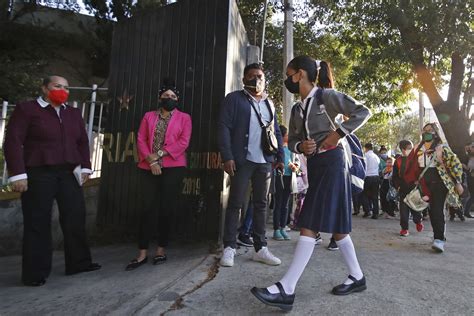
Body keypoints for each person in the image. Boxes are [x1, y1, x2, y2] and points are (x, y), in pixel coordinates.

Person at [251, 56, 371, 311]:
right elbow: (293, 139)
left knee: (308, 222)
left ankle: (287, 287)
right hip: (315, 166)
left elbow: (363, 112)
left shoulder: (326, 97)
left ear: (301, 74)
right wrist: (300, 146)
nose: (287, 79)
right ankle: (357, 277)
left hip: (334, 163)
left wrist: (337, 134)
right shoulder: (296, 109)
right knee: (339, 228)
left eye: (289, 74)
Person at [4, 75, 101, 286]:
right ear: (45, 88)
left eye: (66, 87)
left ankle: (79, 263)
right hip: (39, 174)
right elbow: (12, 141)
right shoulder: (27, 110)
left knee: (75, 217)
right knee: (37, 222)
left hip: (69, 174)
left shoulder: (73, 113)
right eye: (57, 86)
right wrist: (18, 174)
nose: (63, 91)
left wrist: (85, 167)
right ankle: (34, 273)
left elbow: (82, 142)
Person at [218, 63, 284, 267]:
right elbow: (223, 127)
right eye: (253, 76)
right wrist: (227, 156)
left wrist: (281, 156)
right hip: (242, 159)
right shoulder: (234, 99)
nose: (258, 79)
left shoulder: (269, 103)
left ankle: (260, 247)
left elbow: (276, 132)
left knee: (261, 204)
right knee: (236, 203)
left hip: (264, 161)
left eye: (261, 76)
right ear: (244, 79)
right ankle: (229, 247)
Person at [125, 79, 192, 270]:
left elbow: (183, 141)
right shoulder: (148, 116)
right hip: (148, 167)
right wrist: (152, 161)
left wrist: (161, 154)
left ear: (177, 99)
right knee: (146, 209)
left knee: (166, 208)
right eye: (166, 96)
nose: (169, 99)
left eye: (173, 96)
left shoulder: (184, 118)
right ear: (159, 98)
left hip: (173, 167)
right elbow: (141, 139)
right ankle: (142, 252)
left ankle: (161, 250)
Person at [404, 123, 464, 252]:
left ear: (435, 133)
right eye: (425, 130)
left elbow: (455, 164)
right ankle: (439, 235)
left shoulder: (442, 148)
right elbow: (410, 164)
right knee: (430, 211)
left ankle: (439, 239)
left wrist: (458, 182)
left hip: (439, 183)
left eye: (430, 130)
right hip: (423, 184)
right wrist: (414, 180)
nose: (427, 132)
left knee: (437, 210)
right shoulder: (417, 148)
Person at [273, 125, 299, 241]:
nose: (288, 136)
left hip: (289, 178)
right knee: (278, 204)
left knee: (286, 204)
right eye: (287, 135)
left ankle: (283, 227)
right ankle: (276, 229)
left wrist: (295, 167)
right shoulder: (276, 148)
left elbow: (297, 162)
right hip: (278, 177)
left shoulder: (291, 149)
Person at [392, 140, 423, 237]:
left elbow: (422, 172)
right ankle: (404, 229)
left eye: (411, 148)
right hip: (403, 189)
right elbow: (395, 176)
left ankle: (418, 221)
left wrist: (419, 181)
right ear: (402, 150)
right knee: (403, 211)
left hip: (414, 188)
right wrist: (398, 186)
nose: (411, 150)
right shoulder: (398, 161)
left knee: (415, 208)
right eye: (408, 148)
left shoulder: (417, 158)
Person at [362, 143, 381, 219]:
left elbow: (364, 166)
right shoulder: (376, 156)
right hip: (376, 177)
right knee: (375, 196)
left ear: (366, 148)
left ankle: (367, 211)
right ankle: (375, 213)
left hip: (368, 177)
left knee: (365, 195)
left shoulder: (366, 156)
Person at [462, 142, 474, 218]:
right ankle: (465, 211)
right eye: (472, 147)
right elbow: (462, 164)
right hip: (471, 178)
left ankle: (465, 211)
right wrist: (468, 169)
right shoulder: (467, 156)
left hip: (471, 177)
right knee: (472, 195)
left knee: (472, 195)